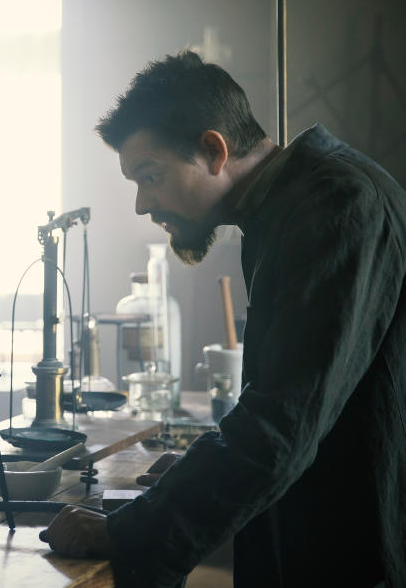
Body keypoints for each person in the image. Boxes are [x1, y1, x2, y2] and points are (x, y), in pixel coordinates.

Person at [39, 50, 406, 588]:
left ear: (214, 150)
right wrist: (189, 478)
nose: (143, 204)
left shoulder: (335, 203)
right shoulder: (289, 205)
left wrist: (133, 529)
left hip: (346, 555)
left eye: (151, 175)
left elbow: (281, 420)